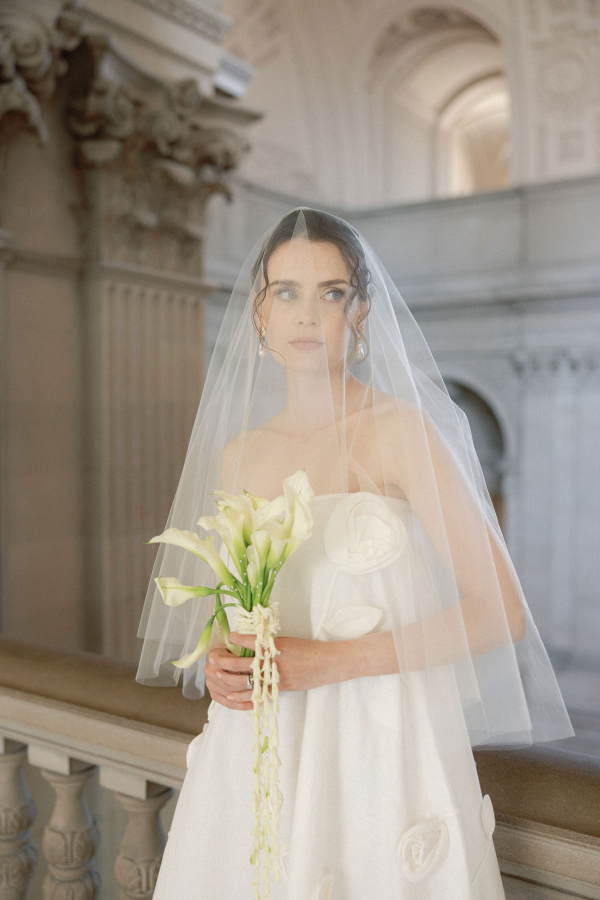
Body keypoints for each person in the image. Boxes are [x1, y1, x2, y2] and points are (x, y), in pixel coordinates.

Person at [136, 208, 573, 899]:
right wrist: (222, 659)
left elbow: (501, 611)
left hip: (378, 747)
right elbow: (236, 606)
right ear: (259, 313)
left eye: (332, 292)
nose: (308, 314)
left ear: (361, 311)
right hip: (261, 747)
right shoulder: (240, 454)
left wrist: (328, 663)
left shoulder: (402, 433)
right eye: (287, 292)